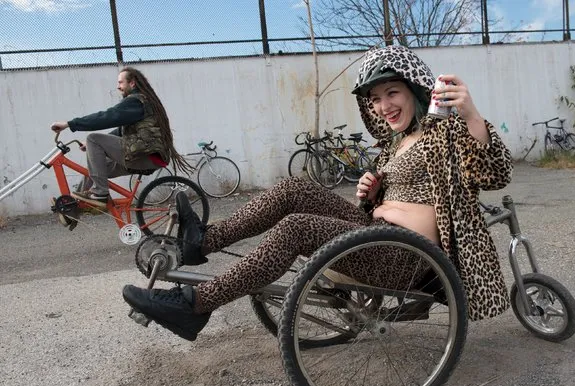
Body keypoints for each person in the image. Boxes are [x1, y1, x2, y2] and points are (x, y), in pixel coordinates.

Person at [122, 45, 513, 341]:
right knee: (294, 188)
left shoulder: (444, 131)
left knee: (297, 227)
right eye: (376, 99)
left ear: (414, 89)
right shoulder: (398, 143)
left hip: (406, 256)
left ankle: (196, 305)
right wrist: (373, 192)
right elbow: (404, 195)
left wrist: (471, 114)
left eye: (391, 93)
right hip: (374, 232)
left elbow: (494, 172)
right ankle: (203, 240)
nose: (384, 106)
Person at [50, 67, 190, 207]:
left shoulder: (136, 101)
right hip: (145, 155)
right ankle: (72, 207)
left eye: (121, 83)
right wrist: (90, 146)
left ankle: (100, 194)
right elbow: (121, 130)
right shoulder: (142, 102)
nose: (118, 87)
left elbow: (108, 116)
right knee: (95, 166)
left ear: (132, 83)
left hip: (146, 156)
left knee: (93, 138)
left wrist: (70, 124)